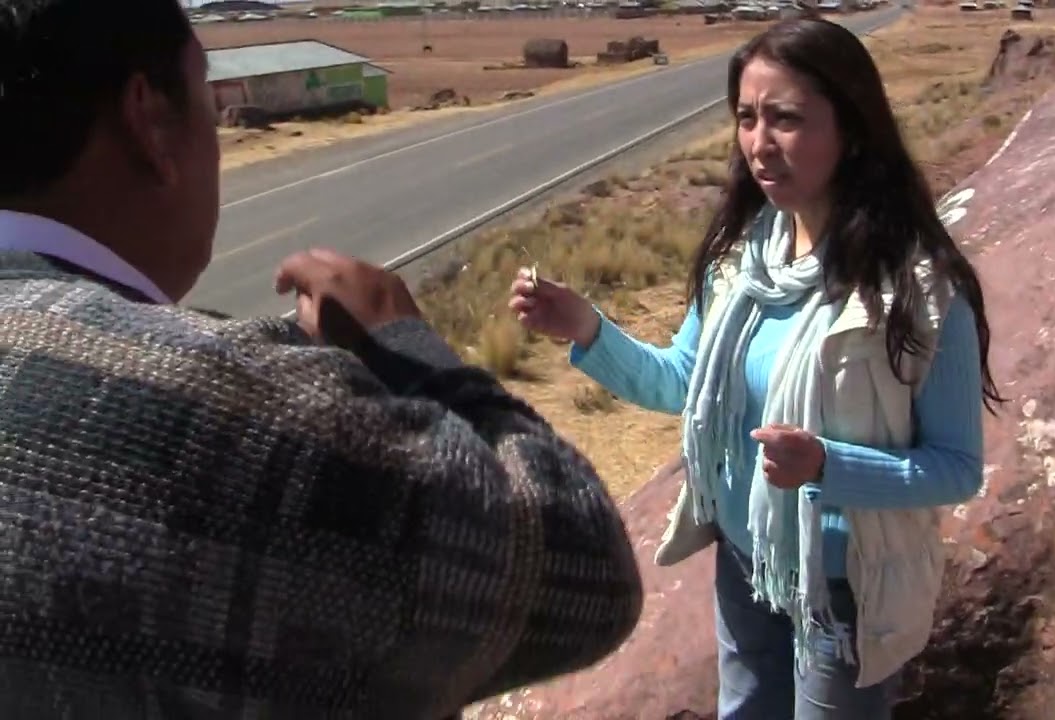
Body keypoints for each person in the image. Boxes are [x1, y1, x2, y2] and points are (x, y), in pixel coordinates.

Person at [0, 1, 642, 718]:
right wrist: (406, 350)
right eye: (207, 101)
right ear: (149, 120)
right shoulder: (222, 403)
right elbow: (583, 568)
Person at [510, 17, 1003, 720]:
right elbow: (682, 382)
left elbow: (956, 468)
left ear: (852, 130)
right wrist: (586, 328)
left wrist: (827, 466)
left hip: (844, 590)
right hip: (747, 561)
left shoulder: (918, 292)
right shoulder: (742, 261)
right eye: (747, 118)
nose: (760, 143)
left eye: (787, 119)